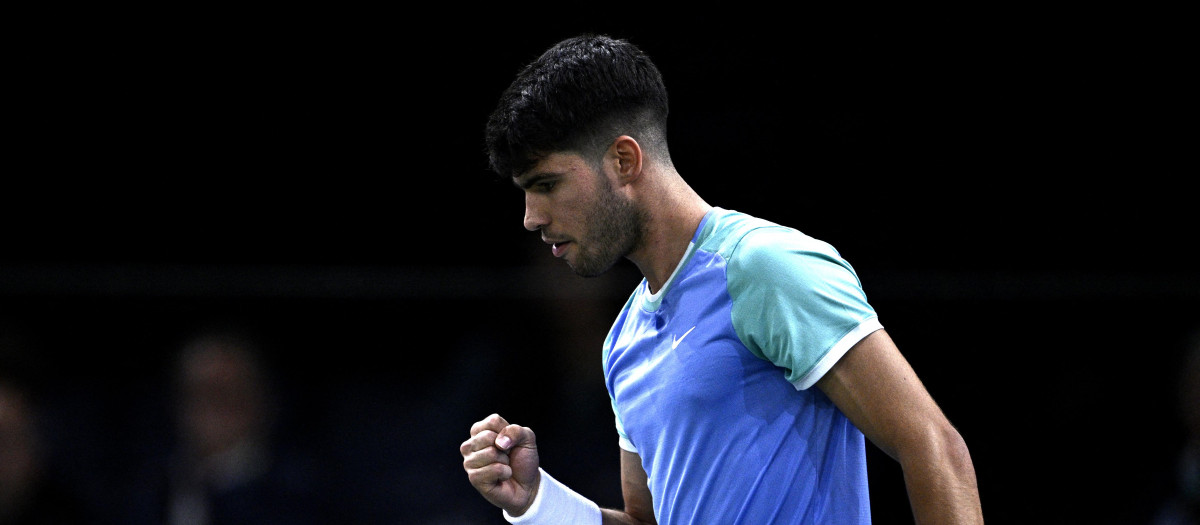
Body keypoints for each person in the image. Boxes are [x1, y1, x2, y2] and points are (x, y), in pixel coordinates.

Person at [460, 34, 983, 524]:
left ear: (623, 160)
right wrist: (537, 501)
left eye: (546, 184)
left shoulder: (767, 266)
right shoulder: (622, 342)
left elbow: (932, 444)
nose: (531, 216)